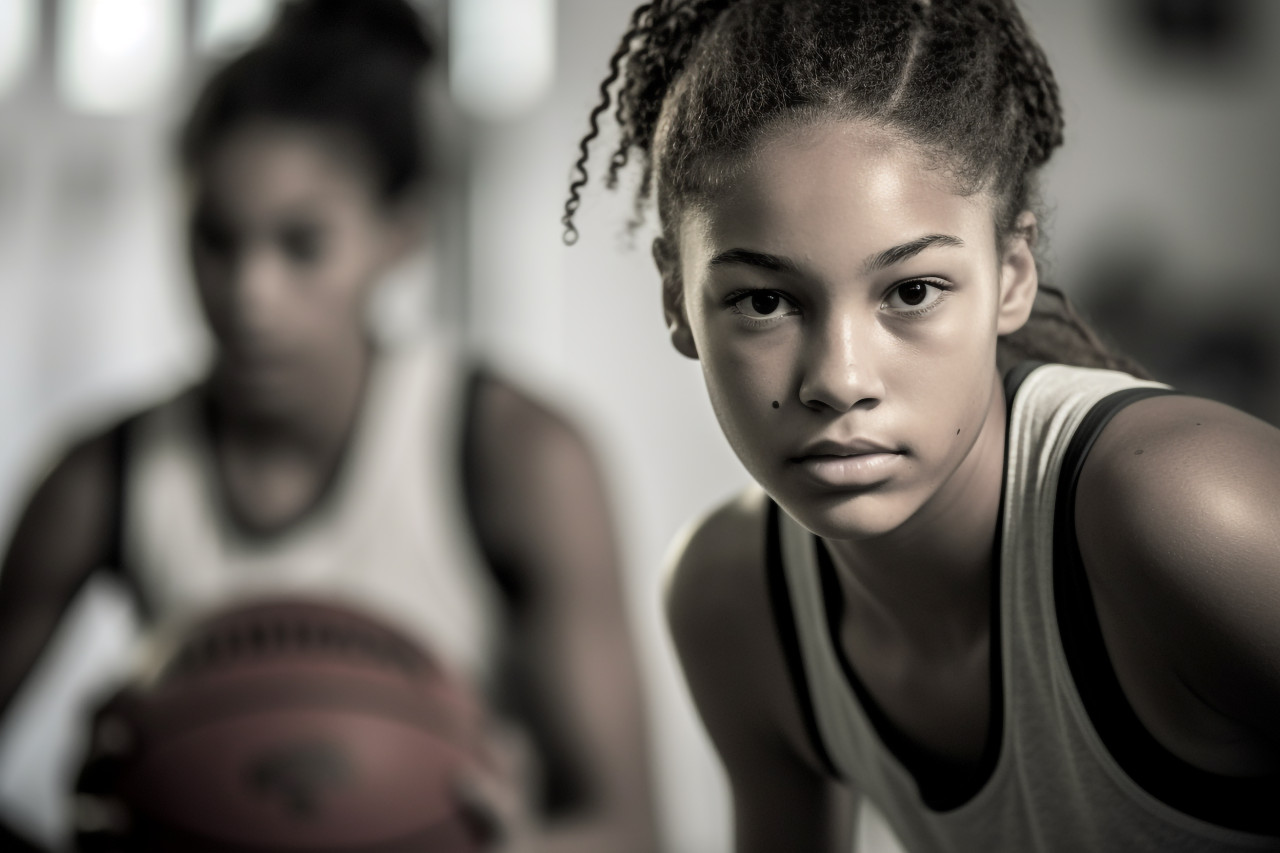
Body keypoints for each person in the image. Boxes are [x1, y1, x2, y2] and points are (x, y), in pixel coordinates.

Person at [563, 1, 1280, 850]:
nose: (840, 380)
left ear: (1012, 275)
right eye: (764, 301)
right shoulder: (734, 597)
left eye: (911, 291)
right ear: (676, 300)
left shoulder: (1186, 506)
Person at [0, 1, 656, 851]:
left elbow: (632, 828)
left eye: (301, 245)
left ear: (400, 235)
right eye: (215, 241)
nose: (250, 295)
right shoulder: (103, 475)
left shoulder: (517, 455)